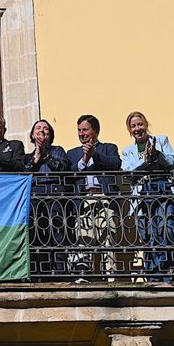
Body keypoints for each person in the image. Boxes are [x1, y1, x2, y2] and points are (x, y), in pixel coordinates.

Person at [121, 111, 174, 281]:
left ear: (146, 125)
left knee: (166, 227)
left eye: (140, 124)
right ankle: (153, 273)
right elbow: (129, 174)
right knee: (147, 232)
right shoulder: (127, 151)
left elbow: (172, 162)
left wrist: (157, 156)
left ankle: (168, 269)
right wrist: (147, 163)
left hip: (163, 189)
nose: (137, 128)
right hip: (142, 194)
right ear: (130, 130)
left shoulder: (161, 140)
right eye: (133, 126)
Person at [66, 115, 121, 279]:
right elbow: (69, 175)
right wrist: (84, 159)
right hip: (83, 201)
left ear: (95, 131)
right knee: (84, 238)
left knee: (108, 238)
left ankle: (111, 278)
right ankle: (85, 276)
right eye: (79, 130)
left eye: (85, 130)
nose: (81, 134)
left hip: (105, 198)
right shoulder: (73, 153)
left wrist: (94, 154)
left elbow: (115, 164)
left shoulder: (109, 148)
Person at [24, 119, 70, 277]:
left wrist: (46, 155)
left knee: (57, 233)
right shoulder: (28, 156)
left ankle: (59, 272)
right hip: (35, 197)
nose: (42, 131)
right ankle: (39, 273)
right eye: (38, 128)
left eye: (46, 129)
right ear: (32, 134)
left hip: (55, 194)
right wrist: (36, 159)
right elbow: (24, 173)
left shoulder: (57, 150)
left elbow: (63, 168)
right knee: (37, 233)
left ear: (50, 135)